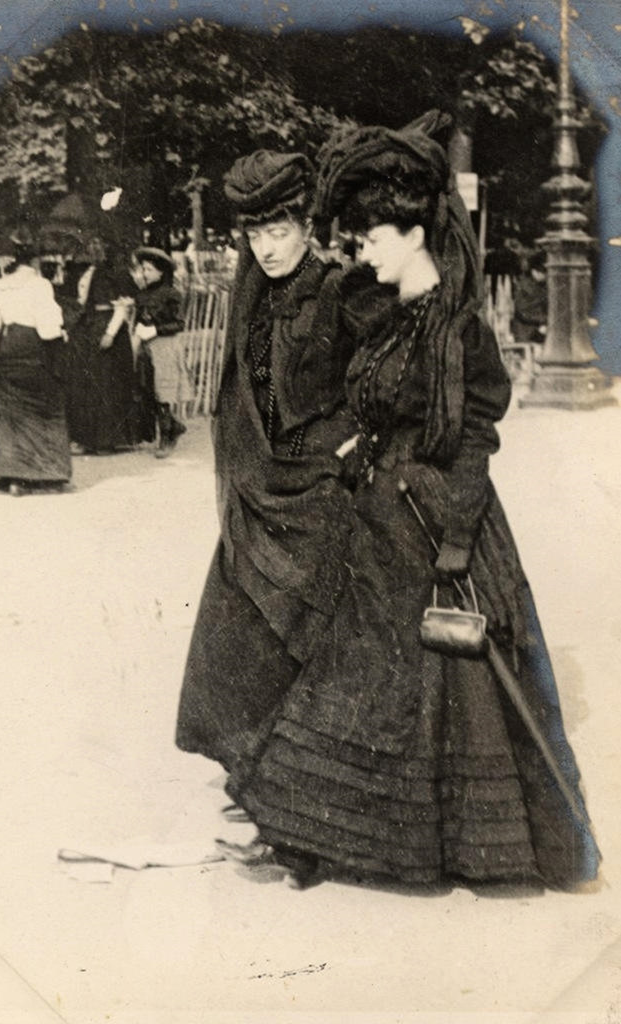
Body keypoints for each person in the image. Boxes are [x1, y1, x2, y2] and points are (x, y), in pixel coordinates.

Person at [217, 113, 600, 891]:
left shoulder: (456, 332)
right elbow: (363, 403)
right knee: (346, 680)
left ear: (415, 236)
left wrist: (454, 539)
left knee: (428, 696)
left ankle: (393, 845)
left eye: (372, 240)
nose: (361, 253)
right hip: (377, 522)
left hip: (435, 530)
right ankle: (306, 836)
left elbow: (474, 433)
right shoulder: (390, 319)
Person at [175, 149, 357, 787]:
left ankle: (302, 780)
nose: (268, 248)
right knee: (240, 631)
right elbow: (240, 395)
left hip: (316, 492)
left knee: (305, 635)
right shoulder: (251, 295)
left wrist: (336, 455)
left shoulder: (339, 289)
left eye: (279, 232)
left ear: (308, 226)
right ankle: (255, 769)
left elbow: (366, 391)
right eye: (256, 234)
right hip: (258, 489)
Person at [0, 229, 71, 495]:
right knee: (45, 406)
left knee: (9, 408)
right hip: (34, 346)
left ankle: (13, 476)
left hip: (8, 346)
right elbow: (49, 328)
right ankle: (47, 475)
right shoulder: (40, 285)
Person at [65, 236, 138, 454]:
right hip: (89, 328)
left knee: (107, 384)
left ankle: (107, 440)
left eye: (99, 244)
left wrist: (110, 332)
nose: (94, 248)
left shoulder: (117, 272)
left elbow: (123, 306)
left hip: (108, 328)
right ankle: (89, 438)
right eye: (91, 244)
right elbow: (82, 299)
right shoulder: (88, 271)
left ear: (108, 246)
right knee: (89, 384)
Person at [133, 246, 191, 458]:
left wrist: (155, 329)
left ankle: (167, 437)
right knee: (149, 389)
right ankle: (174, 426)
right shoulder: (141, 294)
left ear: (160, 272)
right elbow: (140, 318)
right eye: (143, 269)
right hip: (148, 346)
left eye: (148, 269)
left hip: (166, 345)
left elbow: (179, 323)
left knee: (163, 392)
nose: (144, 273)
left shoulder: (172, 294)